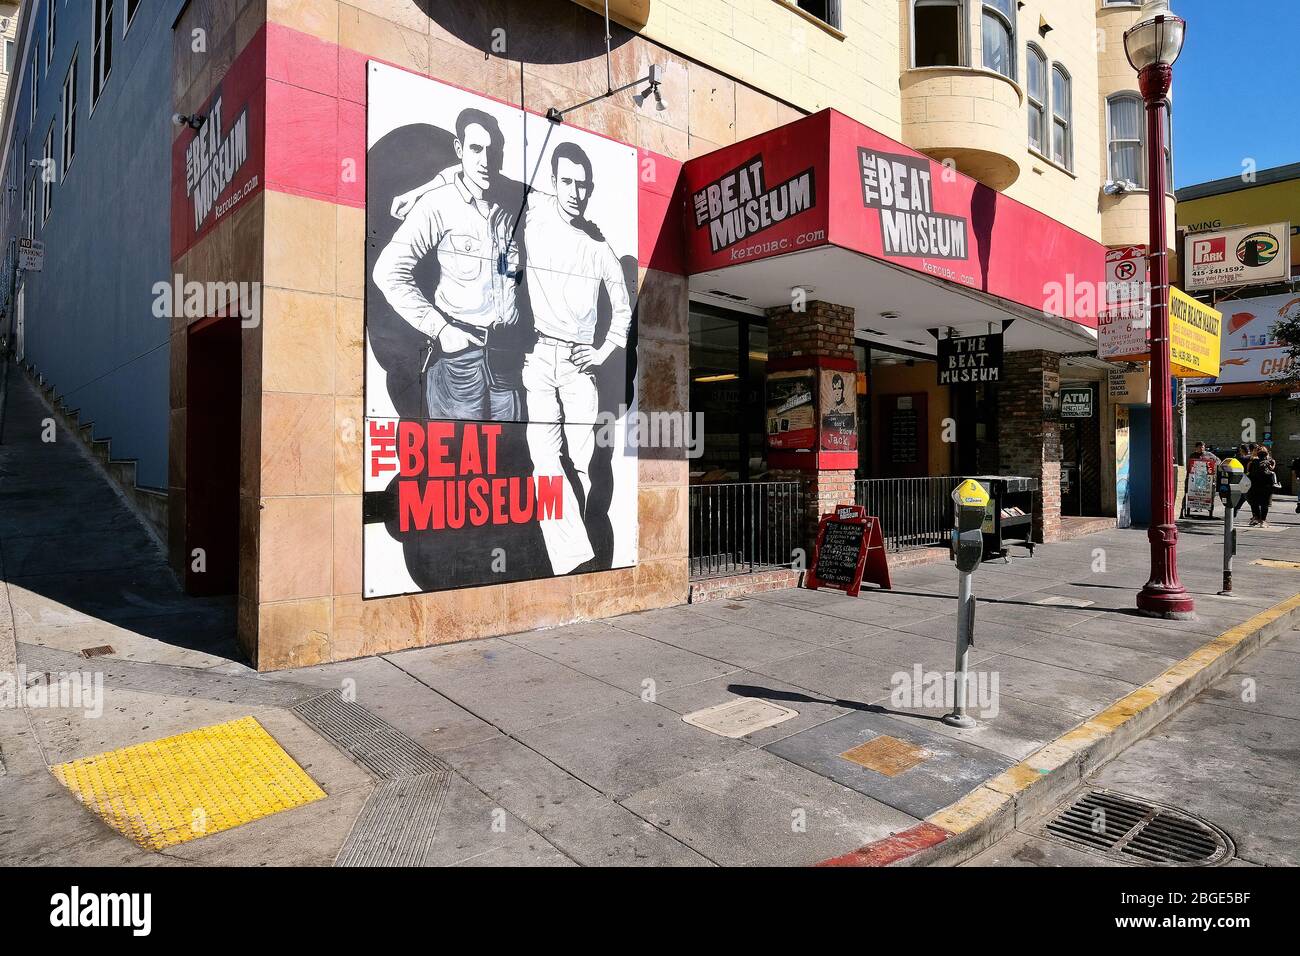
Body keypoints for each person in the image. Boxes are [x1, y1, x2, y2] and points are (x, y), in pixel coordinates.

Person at [518, 141, 633, 574]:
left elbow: (622, 309)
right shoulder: (536, 214)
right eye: (566, 181)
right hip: (537, 357)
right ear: (553, 182)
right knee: (543, 458)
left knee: (586, 460)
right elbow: (478, 181)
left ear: (590, 189)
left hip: (577, 363)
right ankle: (571, 557)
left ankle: (589, 545)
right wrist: (420, 192)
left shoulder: (598, 247)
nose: (574, 191)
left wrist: (601, 351)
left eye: (582, 185)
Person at [373, 108, 523, 422]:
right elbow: (387, 271)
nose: (486, 160)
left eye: (493, 151)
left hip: (506, 364)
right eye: (476, 149)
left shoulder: (511, 204)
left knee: (506, 461)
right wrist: (441, 329)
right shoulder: (439, 204)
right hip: (459, 362)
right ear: (459, 149)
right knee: (459, 459)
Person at [1245, 446, 1276, 527]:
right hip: (1266, 486)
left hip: (1254, 484)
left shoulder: (1252, 462)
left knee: (1254, 502)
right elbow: (1272, 470)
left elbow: (1248, 472)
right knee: (1264, 504)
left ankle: (1256, 518)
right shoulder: (1271, 461)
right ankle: (1263, 521)